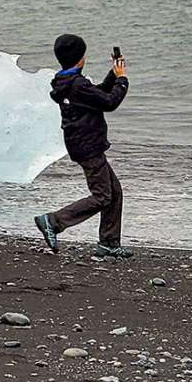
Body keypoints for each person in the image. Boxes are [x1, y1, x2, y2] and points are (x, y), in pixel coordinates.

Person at [34, 34, 130, 257]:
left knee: (114, 192)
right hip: (88, 147)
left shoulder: (67, 82)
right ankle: (54, 221)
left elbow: (94, 94)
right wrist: (122, 80)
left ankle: (109, 242)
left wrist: (112, 75)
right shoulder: (77, 85)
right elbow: (109, 102)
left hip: (84, 144)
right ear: (80, 58)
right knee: (103, 196)